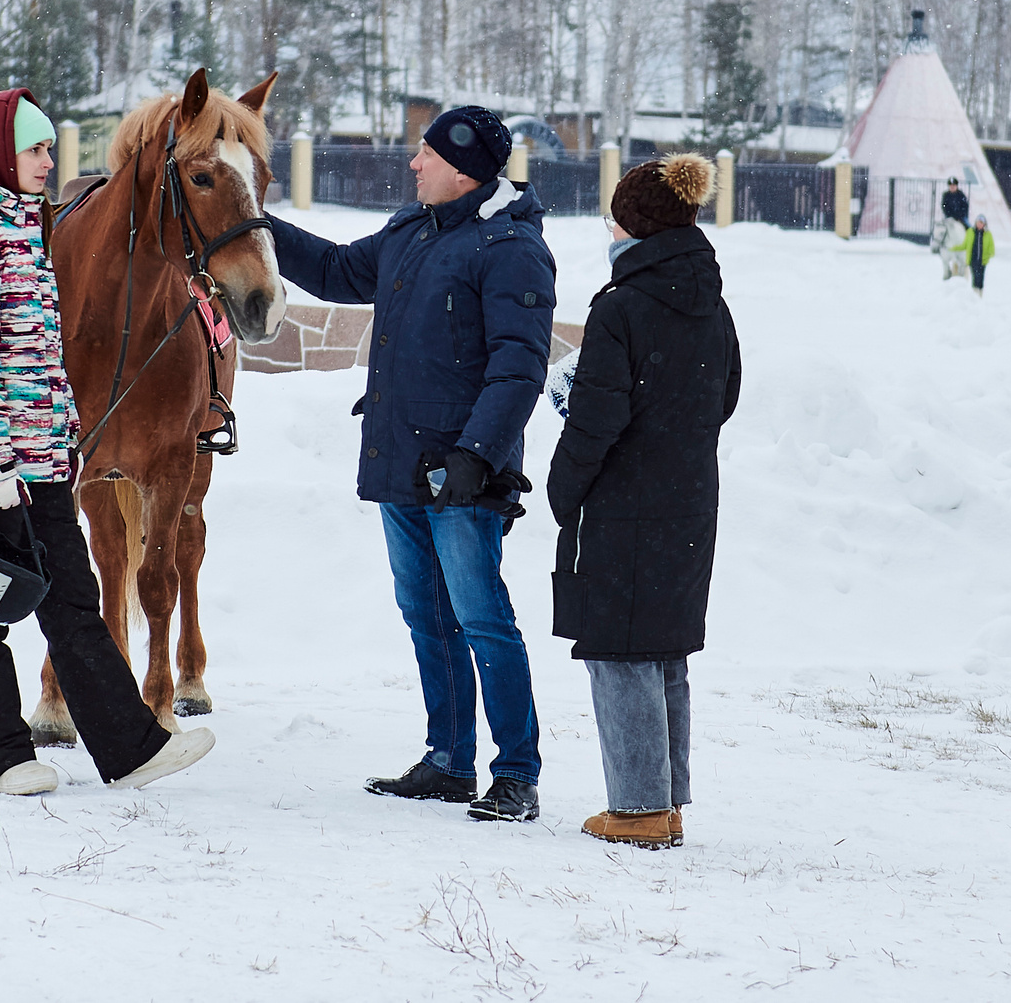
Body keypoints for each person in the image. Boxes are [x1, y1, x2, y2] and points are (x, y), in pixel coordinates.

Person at [264, 105, 555, 823]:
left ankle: (516, 773)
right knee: (426, 616)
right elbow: (334, 271)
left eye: (426, 155)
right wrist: (254, 225)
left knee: (483, 619)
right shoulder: (410, 230)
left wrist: (476, 456)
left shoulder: (510, 247)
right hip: (403, 462)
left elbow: (519, 371)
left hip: (463, 474)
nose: (413, 164)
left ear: (465, 170)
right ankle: (449, 761)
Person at [0, 86, 214, 797]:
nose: (50, 162)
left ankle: (131, 748)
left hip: (45, 458)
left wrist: (59, 443)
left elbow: (42, 357)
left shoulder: (28, 229)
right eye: (35, 148)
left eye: (51, 148)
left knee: (73, 600)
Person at [548, 154, 740, 850]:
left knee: (622, 650)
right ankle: (667, 802)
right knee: (664, 654)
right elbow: (725, 397)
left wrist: (564, 487)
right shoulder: (711, 303)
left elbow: (596, 419)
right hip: (689, 503)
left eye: (615, 219)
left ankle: (637, 810)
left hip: (626, 507)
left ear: (636, 226)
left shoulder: (622, 307)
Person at [965, 213, 995, 294]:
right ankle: (975, 293)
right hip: (973, 260)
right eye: (978, 222)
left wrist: (990, 254)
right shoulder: (970, 232)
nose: (979, 224)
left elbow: (991, 247)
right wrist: (954, 248)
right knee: (975, 277)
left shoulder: (987, 234)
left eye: (981, 223)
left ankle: (980, 293)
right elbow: (965, 244)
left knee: (981, 278)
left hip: (982, 260)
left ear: (984, 224)